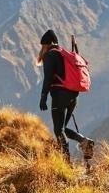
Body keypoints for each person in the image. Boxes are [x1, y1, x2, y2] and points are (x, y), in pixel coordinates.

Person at [38, 29, 94, 162]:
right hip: (74, 95)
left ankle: (66, 163)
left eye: (43, 46)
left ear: (46, 44)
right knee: (62, 128)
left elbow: (48, 77)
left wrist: (43, 96)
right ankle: (84, 141)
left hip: (60, 95)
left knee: (58, 131)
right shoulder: (64, 54)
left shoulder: (50, 55)